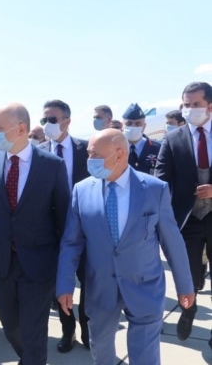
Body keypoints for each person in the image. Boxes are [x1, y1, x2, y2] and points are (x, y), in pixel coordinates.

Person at [57, 129, 195, 364]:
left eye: (95, 154)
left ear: (119, 154)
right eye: (89, 154)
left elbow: (172, 241)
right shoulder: (82, 190)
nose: (90, 160)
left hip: (145, 285)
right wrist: (64, 284)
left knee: (145, 355)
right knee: (100, 348)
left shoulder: (155, 189)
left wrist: (185, 286)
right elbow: (71, 242)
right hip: (101, 287)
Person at [0, 103, 70, 365]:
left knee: (33, 331)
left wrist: (67, 268)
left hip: (38, 264)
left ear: (21, 129)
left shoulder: (52, 166)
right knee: (12, 328)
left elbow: (64, 219)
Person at [155, 81, 212, 347]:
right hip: (187, 221)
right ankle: (189, 310)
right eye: (186, 104)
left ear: (210, 106)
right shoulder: (173, 138)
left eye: (196, 104)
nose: (190, 109)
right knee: (189, 276)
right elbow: (161, 178)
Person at [36, 100, 90, 352]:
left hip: (86, 227)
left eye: (52, 119)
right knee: (61, 283)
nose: (47, 124)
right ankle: (68, 331)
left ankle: (88, 329)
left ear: (67, 121)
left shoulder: (86, 149)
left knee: (88, 280)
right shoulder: (37, 153)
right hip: (52, 230)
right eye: (44, 120)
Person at [121, 103, 161, 175]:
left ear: (144, 126)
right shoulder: (114, 148)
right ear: (122, 125)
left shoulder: (157, 148)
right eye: (129, 123)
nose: (133, 127)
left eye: (138, 124)